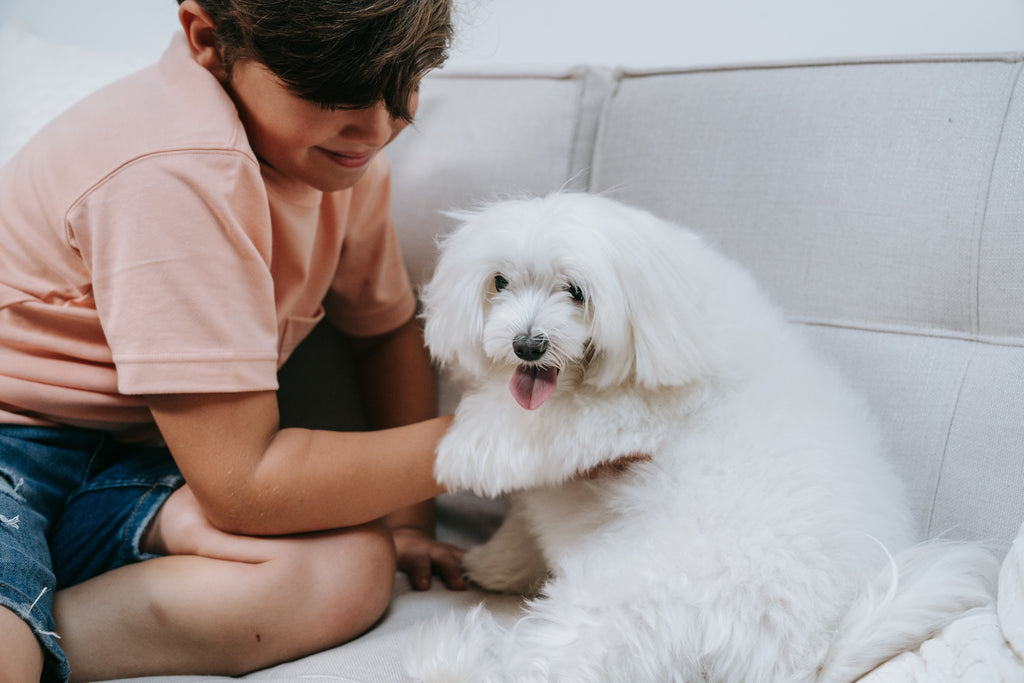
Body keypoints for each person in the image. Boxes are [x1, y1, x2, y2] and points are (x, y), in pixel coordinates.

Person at [0, 1, 465, 680]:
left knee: (356, 565)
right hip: (14, 443)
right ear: (210, 40)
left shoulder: (341, 161)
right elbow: (243, 485)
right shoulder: (174, 169)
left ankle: (37, 618)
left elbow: (385, 329)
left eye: (403, 84)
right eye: (334, 88)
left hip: (135, 464)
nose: (378, 125)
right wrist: (503, 439)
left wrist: (409, 523)